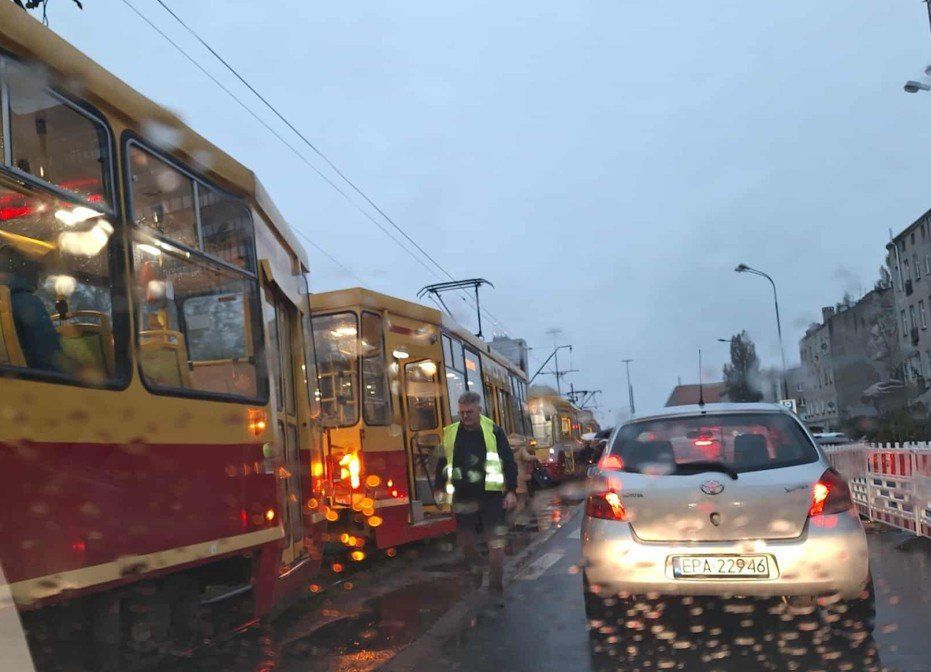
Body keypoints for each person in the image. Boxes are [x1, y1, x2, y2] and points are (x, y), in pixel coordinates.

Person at [436, 391, 518, 600]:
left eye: (469, 412)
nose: (465, 416)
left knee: (496, 543)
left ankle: (495, 588)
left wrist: (511, 490)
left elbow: (508, 461)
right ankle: (479, 565)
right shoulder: (451, 432)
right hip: (463, 495)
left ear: (479, 410)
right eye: (462, 412)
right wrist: (439, 489)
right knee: (464, 542)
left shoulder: (493, 431)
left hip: (491, 494)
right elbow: (442, 463)